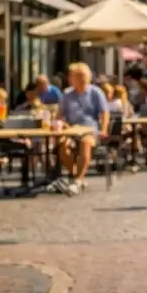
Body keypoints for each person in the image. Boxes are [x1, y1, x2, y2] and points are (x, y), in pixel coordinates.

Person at [56, 62, 109, 194]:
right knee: (62, 146)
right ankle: (76, 175)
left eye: (72, 76)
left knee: (85, 143)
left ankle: (78, 179)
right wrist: (61, 123)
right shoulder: (67, 94)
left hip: (90, 129)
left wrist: (104, 129)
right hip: (72, 129)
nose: (69, 79)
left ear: (81, 77)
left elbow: (105, 113)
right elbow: (60, 115)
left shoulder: (96, 92)